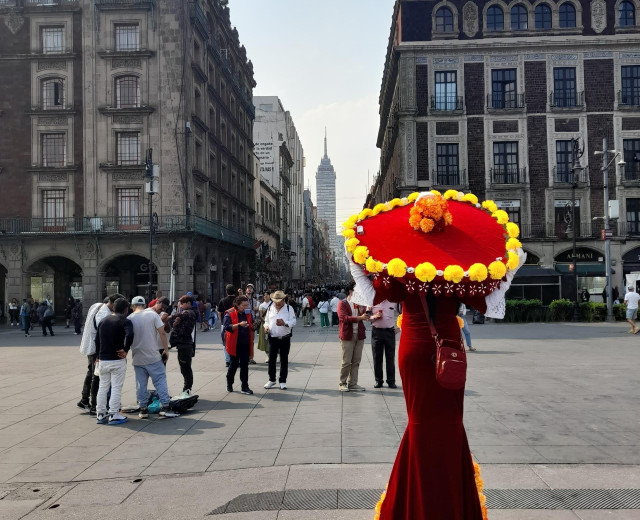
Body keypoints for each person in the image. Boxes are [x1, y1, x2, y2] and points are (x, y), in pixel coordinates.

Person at [343, 190, 525, 519]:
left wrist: (354, 262)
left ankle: (413, 506)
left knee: (420, 424)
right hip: (450, 349)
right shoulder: (459, 270)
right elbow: (490, 305)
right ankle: (452, 507)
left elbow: (372, 295)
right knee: (449, 425)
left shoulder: (402, 267)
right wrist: (512, 268)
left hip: (413, 346)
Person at [128, 296, 178, 418]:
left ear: (132, 306)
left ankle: (143, 409)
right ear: (144, 305)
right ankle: (165, 406)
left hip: (138, 357)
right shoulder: (152, 315)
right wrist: (166, 350)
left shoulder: (129, 318)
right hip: (153, 356)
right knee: (160, 380)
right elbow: (162, 332)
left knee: (141, 384)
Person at [77, 293, 124, 414]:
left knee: (91, 372)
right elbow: (103, 335)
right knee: (96, 376)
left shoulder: (97, 305)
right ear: (113, 304)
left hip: (90, 345)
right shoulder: (105, 315)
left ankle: (84, 400)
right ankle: (94, 405)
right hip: (96, 349)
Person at [95, 298, 134, 425]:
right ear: (126, 309)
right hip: (117, 359)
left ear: (113, 307)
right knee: (116, 387)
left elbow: (97, 340)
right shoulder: (125, 321)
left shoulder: (103, 321)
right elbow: (130, 335)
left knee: (102, 387)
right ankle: (113, 414)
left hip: (103, 359)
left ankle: (100, 414)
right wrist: (126, 349)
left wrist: (97, 355)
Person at [337, 281, 369, 392]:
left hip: (359, 335)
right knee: (346, 361)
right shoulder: (343, 303)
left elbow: (365, 315)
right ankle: (342, 382)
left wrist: (364, 313)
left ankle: (353, 383)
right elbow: (344, 318)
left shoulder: (360, 304)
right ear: (351, 291)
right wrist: (360, 318)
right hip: (347, 335)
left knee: (356, 360)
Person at [263, 290, 297, 390]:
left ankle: (282, 381)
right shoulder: (270, 308)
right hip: (273, 337)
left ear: (283, 300)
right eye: (275, 301)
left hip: (285, 338)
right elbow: (266, 321)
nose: (277, 303)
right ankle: (271, 379)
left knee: (284, 360)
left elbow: (293, 321)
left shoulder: (288, 308)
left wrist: (285, 323)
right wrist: (266, 327)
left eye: (280, 301)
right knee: (271, 360)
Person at [169, 294, 198, 399]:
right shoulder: (186, 313)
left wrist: (169, 316)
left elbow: (181, 315)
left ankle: (187, 389)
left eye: (182, 303)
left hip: (185, 344)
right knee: (184, 368)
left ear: (188, 303)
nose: (180, 305)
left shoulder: (189, 312)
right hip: (182, 344)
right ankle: (187, 389)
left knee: (186, 368)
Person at [223, 295, 253, 395]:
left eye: (247, 305)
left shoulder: (248, 313)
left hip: (245, 342)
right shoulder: (229, 313)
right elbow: (227, 327)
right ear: (237, 305)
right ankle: (229, 383)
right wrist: (239, 324)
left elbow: (251, 324)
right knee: (234, 365)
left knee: (245, 365)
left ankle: (245, 386)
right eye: (243, 305)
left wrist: (254, 325)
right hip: (234, 344)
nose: (245, 307)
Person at [370, 299, 399, 388]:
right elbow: (367, 316)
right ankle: (378, 381)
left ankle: (391, 381)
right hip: (376, 331)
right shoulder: (373, 301)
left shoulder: (393, 301)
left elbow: (402, 314)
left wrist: (399, 327)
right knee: (377, 357)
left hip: (389, 332)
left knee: (390, 357)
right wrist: (374, 316)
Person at [218, 284, 236, 367]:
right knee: (236, 341)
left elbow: (219, 312)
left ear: (226, 291)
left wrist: (221, 321)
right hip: (236, 323)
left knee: (225, 342)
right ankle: (235, 359)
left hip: (225, 324)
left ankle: (227, 360)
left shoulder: (222, 300)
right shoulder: (237, 300)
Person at [245, 284, 259, 364]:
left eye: (251, 288)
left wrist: (256, 310)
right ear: (246, 290)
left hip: (252, 321)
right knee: (245, 340)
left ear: (253, 290)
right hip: (245, 321)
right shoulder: (243, 298)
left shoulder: (254, 300)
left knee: (252, 340)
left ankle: (251, 357)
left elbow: (255, 311)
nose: (249, 289)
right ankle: (245, 357)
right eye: (248, 288)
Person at [257, 292, 271, 362]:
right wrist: (266, 322)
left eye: (267, 295)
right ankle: (268, 356)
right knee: (265, 340)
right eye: (264, 295)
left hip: (272, 325)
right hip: (264, 325)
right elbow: (260, 316)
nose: (265, 296)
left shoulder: (273, 304)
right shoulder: (261, 305)